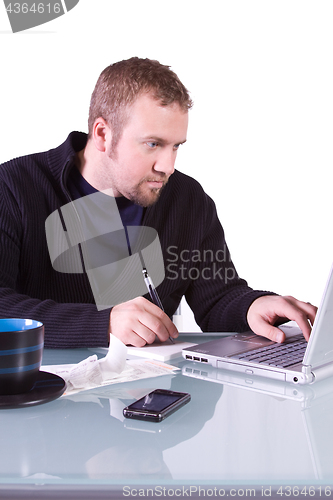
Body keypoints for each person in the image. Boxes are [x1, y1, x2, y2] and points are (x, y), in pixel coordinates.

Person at [0, 57, 317, 348]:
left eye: (176, 146)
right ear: (102, 134)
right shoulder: (13, 187)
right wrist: (104, 323)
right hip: (48, 397)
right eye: (153, 144)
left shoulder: (188, 199)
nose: (167, 165)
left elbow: (216, 296)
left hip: (157, 398)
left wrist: (251, 306)